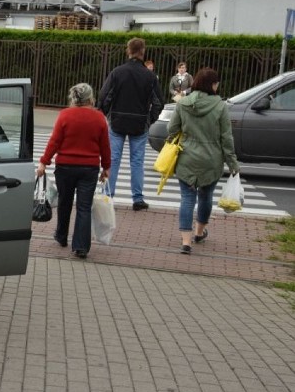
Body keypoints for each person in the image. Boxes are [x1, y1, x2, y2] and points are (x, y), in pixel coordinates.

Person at [167, 67, 239, 255]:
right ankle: (199, 232)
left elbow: (171, 128)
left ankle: (186, 242)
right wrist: (232, 163)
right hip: (211, 159)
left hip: (187, 158)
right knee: (206, 196)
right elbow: (227, 137)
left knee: (187, 198)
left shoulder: (183, 103)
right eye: (216, 83)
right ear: (213, 84)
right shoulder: (220, 106)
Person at [37, 83, 111, 259]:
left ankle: (61, 236)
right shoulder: (99, 118)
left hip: (65, 167)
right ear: (91, 98)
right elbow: (105, 146)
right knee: (84, 207)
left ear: (74, 98)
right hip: (89, 168)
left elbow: (54, 142)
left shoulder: (65, 115)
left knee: (65, 202)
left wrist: (43, 162)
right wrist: (106, 167)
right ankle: (81, 247)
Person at [97, 37, 164, 211]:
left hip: (118, 120)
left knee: (113, 160)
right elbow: (158, 102)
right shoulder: (150, 76)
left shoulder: (117, 72)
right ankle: (137, 198)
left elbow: (105, 96)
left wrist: (107, 113)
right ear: (143, 52)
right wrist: (150, 119)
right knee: (137, 161)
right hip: (140, 122)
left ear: (128, 51)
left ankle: (108, 195)